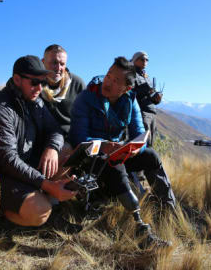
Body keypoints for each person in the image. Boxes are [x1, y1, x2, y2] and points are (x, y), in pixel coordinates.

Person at [69, 57, 175, 247]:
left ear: (126, 88)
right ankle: (141, 231)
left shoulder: (130, 100)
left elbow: (139, 133)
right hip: (92, 159)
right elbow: (78, 139)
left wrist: (134, 149)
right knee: (114, 165)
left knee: (150, 156)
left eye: (116, 80)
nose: (108, 82)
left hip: (118, 152)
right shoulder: (86, 98)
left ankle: (168, 209)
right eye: (109, 75)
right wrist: (104, 145)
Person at [0, 55, 77, 228]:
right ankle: (4, 216)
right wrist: (47, 185)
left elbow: (55, 130)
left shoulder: (35, 101)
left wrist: (52, 148)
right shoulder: (0, 109)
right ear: (17, 79)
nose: (40, 88)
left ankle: (49, 206)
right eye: (35, 82)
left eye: (43, 83)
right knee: (39, 211)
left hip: (25, 167)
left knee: (65, 150)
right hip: (2, 176)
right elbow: (8, 161)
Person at [40, 44, 86, 136]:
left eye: (62, 64)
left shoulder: (77, 84)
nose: (58, 68)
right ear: (43, 62)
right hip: (40, 139)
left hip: (70, 139)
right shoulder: (35, 83)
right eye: (54, 62)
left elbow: (86, 119)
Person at [131, 51, 163, 147]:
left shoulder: (146, 76)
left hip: (152, 112)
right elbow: (130, 92)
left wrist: (156, 99)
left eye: (147, 59)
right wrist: (145, 89)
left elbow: (150, 95)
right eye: (142, 59)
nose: (145, 61)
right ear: (135, 60)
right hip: (142, 112)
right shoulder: (131, 74)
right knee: (144, 143)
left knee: (151, 143)